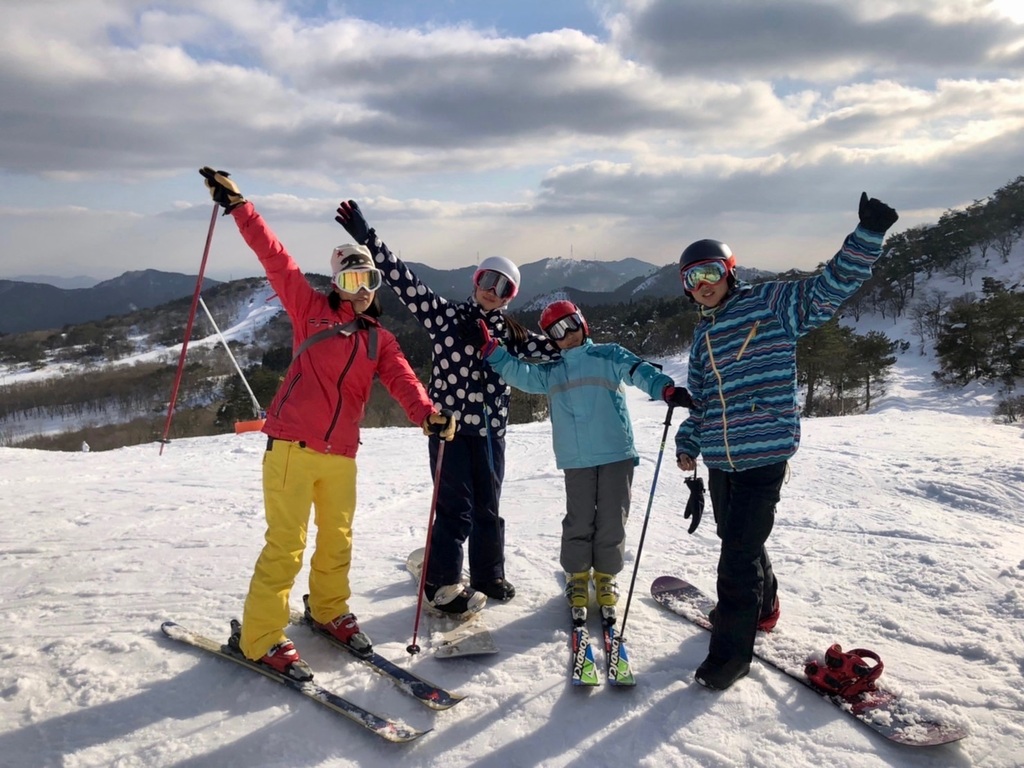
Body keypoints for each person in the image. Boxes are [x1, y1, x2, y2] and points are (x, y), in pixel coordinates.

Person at [199, 168, 456, 680]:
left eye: (368, 281)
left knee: (338, 539)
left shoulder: (378, 339)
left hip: (341, 456)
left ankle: (327, 608)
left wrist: (428, 414)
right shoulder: (309, 309)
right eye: (350, 279)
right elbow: (276, 259)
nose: (360, 291)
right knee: (286, 545)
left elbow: (404, 380)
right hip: (292, 447)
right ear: (336, 282)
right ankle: (259, 637)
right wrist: (239, 207)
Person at [673, 192, 899, 691]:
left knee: (735, 559)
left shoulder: (770, 304)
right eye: (691, 279)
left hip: (765, 454)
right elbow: (702, 399)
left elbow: (828, 287)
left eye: (709, 272)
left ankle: (731, 657)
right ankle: (767, 606)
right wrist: (689, 442)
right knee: (737, 541)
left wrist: (867, 235)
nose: (702, 285)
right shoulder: (702, 338)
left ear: (729, 271)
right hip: (722, 460)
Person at [335, 199, 559, 615]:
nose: (493, 291)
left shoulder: (512, 333)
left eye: (504, 287)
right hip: (449, 430)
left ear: (511, 296)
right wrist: (369, 239)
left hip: (492, 433)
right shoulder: (446, 317)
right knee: (455, 509)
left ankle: (489, 574)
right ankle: (442, 581)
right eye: (488, 280)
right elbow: (405, 282)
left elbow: (557, 351)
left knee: (489, 506)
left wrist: (600, 353)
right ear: (475, 280)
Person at [478, 300, 694, 620]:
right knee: (579, 520)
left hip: (616, 453)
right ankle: (578, 578)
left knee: (611, 520)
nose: (566, 335)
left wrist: (665, 389)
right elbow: (521, 374)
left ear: (582, 322)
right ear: (550, 340)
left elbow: (639, 371)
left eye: (570, 325)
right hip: (576, 458)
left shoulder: (608, 355)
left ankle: (606, 577)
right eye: (556, 333)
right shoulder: (552, 370)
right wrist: (495, 353)